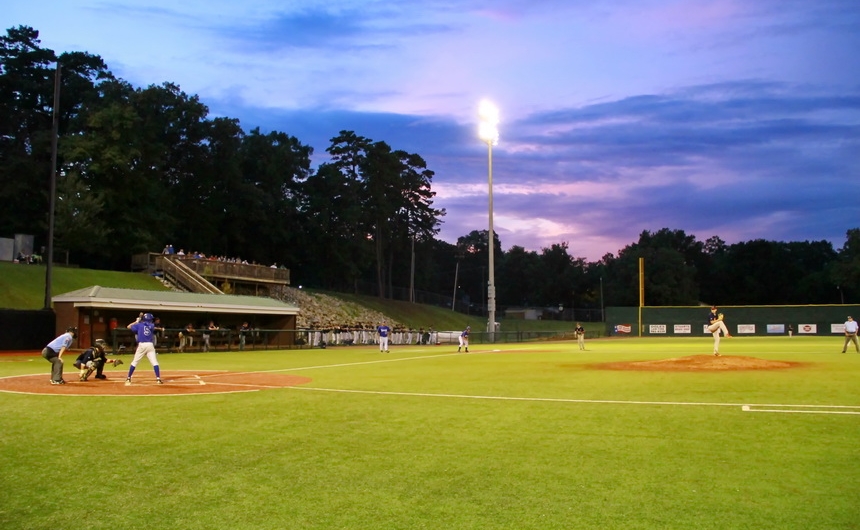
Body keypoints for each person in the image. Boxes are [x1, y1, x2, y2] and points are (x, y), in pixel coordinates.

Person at [125, 312, 163, 385]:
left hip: (142, 345)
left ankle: (129, 378)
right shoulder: (151, 325)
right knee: (154, 362)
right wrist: (139, 322)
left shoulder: (139, 325)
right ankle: (158, 379)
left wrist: (136, 321)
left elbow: (128, 327)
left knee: (135, 362)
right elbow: (146, 325)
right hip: (150, 345)